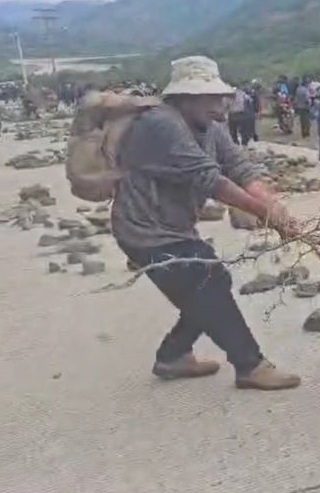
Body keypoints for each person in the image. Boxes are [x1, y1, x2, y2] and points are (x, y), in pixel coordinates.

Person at [112, 56, 302, 391]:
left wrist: (274, 205)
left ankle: (173, 355)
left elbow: (239, 168)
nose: (221, 105)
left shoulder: (211, 126)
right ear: (184, 98)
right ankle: (250, 365)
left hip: (174, 228)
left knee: (209, 283)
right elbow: (211, 179)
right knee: (207, 279)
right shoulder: (161, 124)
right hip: (143, 229)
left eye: (221, 96)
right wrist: (264, 213)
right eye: (211, 97)